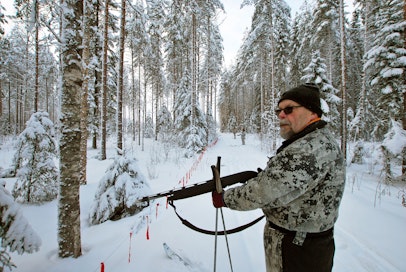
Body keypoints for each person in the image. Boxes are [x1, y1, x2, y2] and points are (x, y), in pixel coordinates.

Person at [212, 83, 345, 272]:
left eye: (289, 109)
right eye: (279, 110)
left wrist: (224, 198)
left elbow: (263, 191)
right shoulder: (316, 140)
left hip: (296, 250)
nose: (281, 115)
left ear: (312, 112)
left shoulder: (306, 149)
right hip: (305, 246)